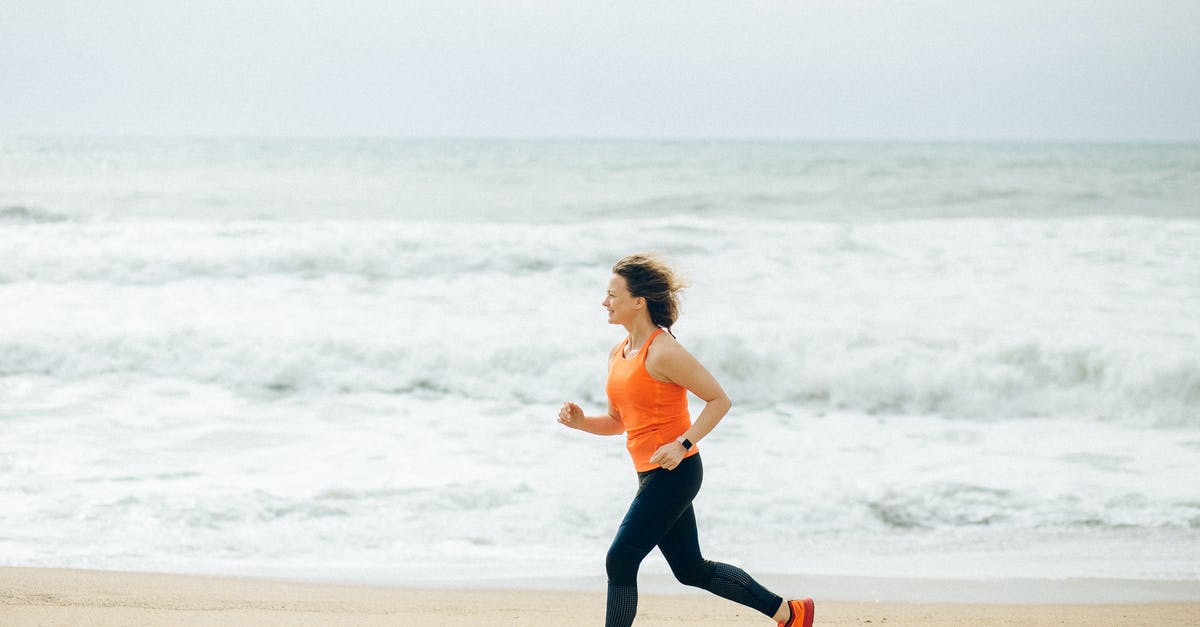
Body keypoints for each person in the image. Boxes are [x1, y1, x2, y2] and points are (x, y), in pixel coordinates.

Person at [557, 253, 814, 627]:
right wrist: (582, 423)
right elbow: (618, 422)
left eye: (612, 294)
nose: (604, 302)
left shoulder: (664, 351)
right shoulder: (619, 352)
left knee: (621, 559)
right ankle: (791, 613)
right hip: (650, 473)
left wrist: (683, 445)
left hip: (676, 472)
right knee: (690, 569)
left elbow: (719, 400)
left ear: (638, 301)